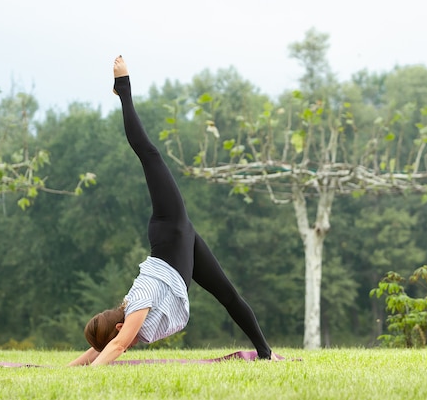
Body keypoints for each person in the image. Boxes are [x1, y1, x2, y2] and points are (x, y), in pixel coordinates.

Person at [68, 56, 280, 366]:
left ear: (117, 328)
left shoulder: (135, 308)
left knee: (149, 154)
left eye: (114, 338)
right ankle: (266, 354)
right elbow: (105, 348)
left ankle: (123, 89)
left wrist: (84, 377)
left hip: (171, 229)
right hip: (177, 244)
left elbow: (114, 348)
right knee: (228, 295)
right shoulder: (125, 318)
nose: (117, 342)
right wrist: (69, 369)